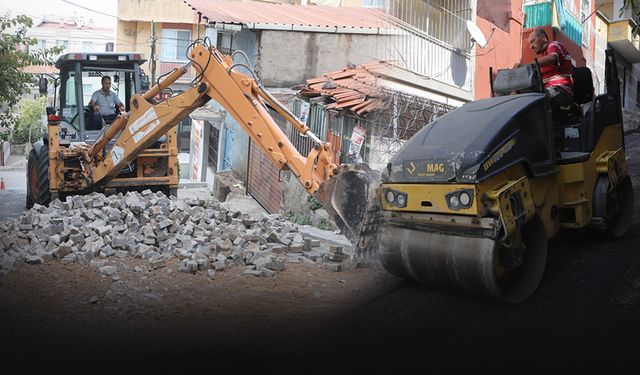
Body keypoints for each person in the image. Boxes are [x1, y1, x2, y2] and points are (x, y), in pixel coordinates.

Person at [515, 28, 574, 114]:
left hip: (561, 90)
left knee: (533, 100)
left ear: (543, 38)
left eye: (532, 41)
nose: (531, 47)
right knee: (517, 94)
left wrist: (526, 66)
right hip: (547, 90)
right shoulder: (543, 58)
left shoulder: (553, 45)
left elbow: (553, 57)